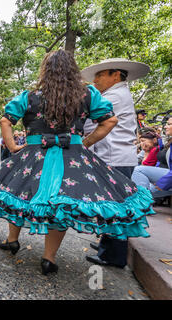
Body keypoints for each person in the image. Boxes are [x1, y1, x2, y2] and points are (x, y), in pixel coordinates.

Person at [0, 49, 155, 275]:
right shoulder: (88, 94)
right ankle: (48, 259)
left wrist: (11, 146)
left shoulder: (30, 96)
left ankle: (12, 241)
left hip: (33, 155)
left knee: (19, 194)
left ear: (45, 70)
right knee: (62, 206)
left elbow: (5, 120)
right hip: (72, 157)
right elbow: (110, 121)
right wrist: (84, 143)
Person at [82, 57, 151, 268]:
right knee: (110, 203)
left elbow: (91, 119)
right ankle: (108, 243)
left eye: (100, 75)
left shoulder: (114, 96)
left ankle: (112, 255)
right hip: (114, 157)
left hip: (115, 158)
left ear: (116, 75)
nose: (96, 80)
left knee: (114, 206)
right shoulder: (117, 94)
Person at [132, 116, 172, 194]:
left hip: (168, 179)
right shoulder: (167, 143)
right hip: (167, 177)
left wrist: (161, 184)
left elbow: (145, 164)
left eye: (169, 124)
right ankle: (142, 201)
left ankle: (141, 201)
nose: (166, 126)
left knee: (138, 170)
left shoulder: (155, 148)